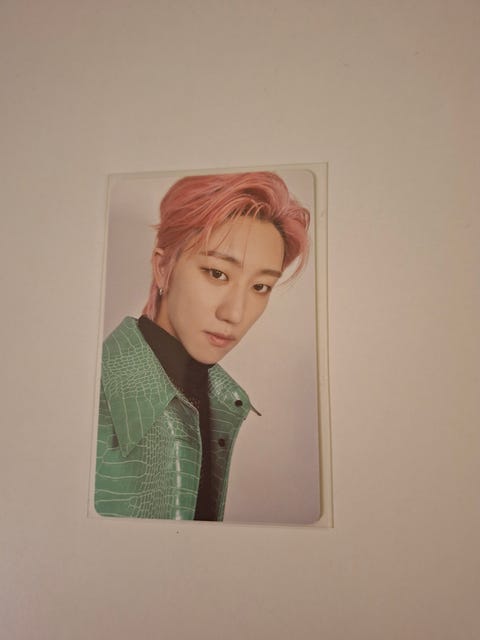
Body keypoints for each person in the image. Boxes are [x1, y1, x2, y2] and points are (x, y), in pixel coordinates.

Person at [94, 171, 310, 521]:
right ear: (162, 267)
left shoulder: (219, 400)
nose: (235, 313)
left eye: (260, 287)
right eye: (217, 273)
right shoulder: (88, 395)